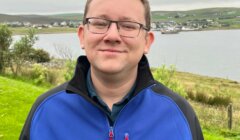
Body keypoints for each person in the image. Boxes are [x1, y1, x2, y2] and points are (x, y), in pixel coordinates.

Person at [20, 0, 204, 139]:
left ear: (147, 42)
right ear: (82, 36)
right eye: (100, 23)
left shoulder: (178, 115)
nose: (113, 35)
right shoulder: (46, 112)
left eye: (129, 26)